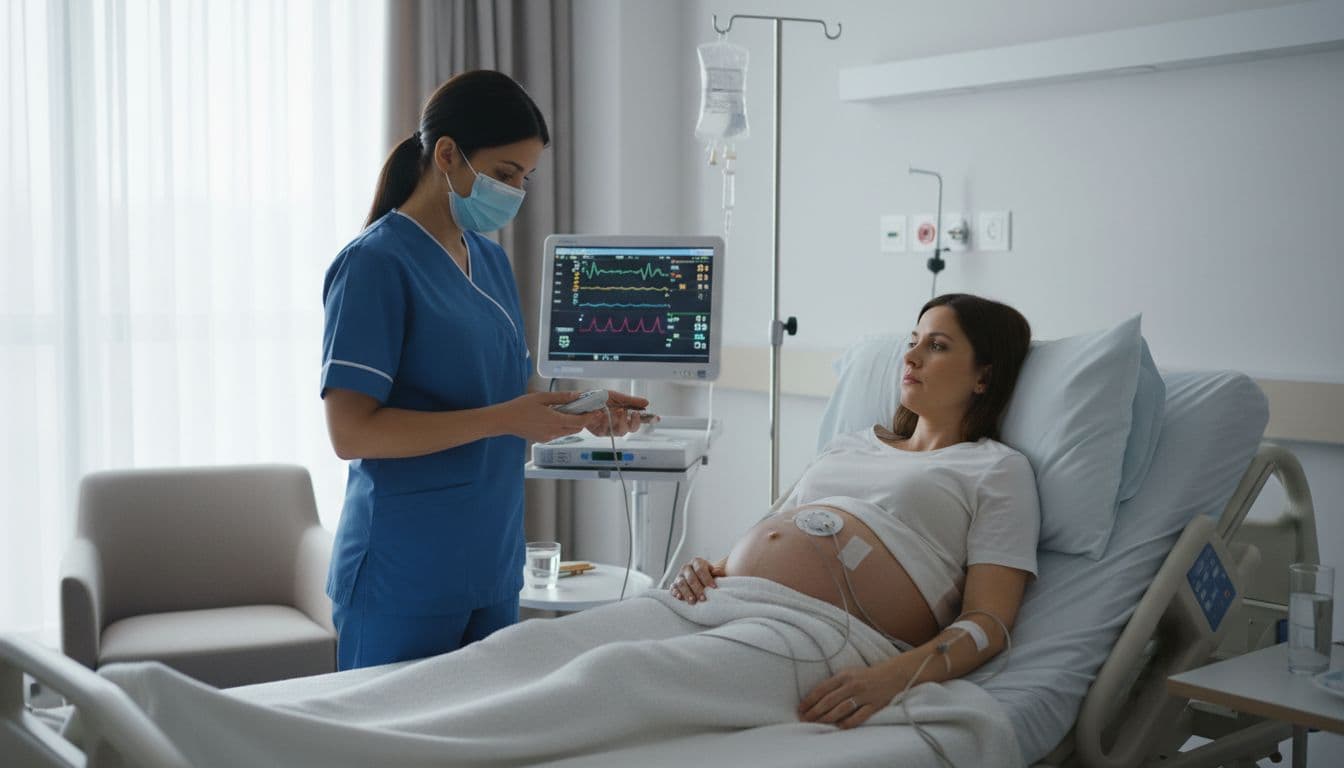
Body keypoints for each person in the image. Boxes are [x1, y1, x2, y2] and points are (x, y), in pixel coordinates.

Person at [319, 70, 646, 670]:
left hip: (491, 563)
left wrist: (579, 411)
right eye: (503, 174)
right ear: (446, 154)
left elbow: (497, 402)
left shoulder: (489, 261)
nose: (515, 192)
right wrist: (506, 418)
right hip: (404, 571)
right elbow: (352, 433)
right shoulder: (375, 264)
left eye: (524, 178)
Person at [669, 293, 1039, 729]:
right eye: (913, 340)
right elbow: (772, 531)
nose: (912, 356)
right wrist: (706, 570)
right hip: (725, 602)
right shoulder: (850, 444)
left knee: (628, 676)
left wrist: (891, 679)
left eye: (936, 346)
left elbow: (989, 622)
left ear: (983, 377)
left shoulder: (996, 468)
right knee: (591, 642)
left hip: (826, 639)